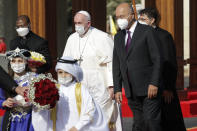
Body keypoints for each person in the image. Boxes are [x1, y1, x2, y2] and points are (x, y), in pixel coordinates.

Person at [63, 10, 122, 130]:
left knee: (100, 118)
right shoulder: (72, 38)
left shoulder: (102, 37)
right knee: (81, 118)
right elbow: (65, 63)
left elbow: (112, 63)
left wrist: (112, 86)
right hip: (79, 87)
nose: (76, 26)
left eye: (79, 23)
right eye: (75, 23)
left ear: (88, 24)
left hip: (100, 88)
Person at [113, 3, 162, 131]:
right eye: (117, 17)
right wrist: (118, 88)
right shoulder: (118, 37)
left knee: (151, 122)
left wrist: (154, 83)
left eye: (122, 16)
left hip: (149, 88)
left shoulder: (147, 31)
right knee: (139, 124)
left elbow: (157, 59)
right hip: (130, 89)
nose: (119, 20)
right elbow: (117, 64)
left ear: (132, 15)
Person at [139, 8, 186, 131]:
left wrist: (168, 87)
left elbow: (169, 62)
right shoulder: (139, 36)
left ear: (152, 20)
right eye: (139, 19)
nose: (140, 21)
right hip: (145, 87)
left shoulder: (163, 36)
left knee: (167, 121)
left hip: (162, 87)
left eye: (143, 19)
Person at [55, 56, 109, 131]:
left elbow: (90, 109)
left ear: (73, 73)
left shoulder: (80, 89)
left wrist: (77, 127)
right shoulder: (55, 89)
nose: (63, 76)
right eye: (60, 72)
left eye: (67, 72)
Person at [0, 48, 36, 131]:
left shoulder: (35, 78)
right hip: (11, 120)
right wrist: (4, 103)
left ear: (26, 62)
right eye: (13, 61)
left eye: (20, 61)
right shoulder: (6, 80)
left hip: (29, 119)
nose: (16, 64)